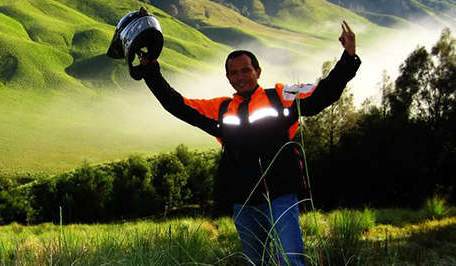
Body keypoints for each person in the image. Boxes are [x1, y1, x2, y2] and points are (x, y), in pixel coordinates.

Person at [135, 21, 360, 265]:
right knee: (257, 262)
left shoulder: (281, 96)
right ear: (228, 78)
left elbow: (322, 94)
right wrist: (151, 71)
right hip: (244, 202)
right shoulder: (220, 109)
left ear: (258, 72)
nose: (240, 77)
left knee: (291, 261)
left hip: (281, 195)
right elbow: (178, 105)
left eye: (246, 70)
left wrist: (348, 59)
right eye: (234, 73)